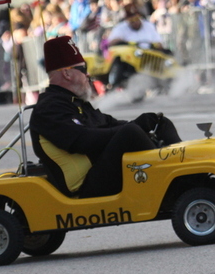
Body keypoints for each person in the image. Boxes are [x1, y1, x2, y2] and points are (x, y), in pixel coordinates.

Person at [29, 36, 181, 198]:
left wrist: (142, 123)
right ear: (67, 73)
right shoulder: (48, 109)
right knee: (131, 132)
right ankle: (173, 186)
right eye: (83, 69)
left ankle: (183, 169)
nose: (88, 75)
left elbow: (107, 123)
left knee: (158, 122)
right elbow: (82, 141)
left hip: (99, 170)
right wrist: (131, 129)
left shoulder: (75, 102)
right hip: (86, 186)